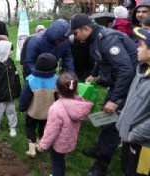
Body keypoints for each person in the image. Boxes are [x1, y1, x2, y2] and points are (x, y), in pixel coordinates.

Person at [65, 13, 138, 176]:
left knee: (113, 125)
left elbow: (127, 71)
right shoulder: (95, 39)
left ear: (86, 28)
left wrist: (115, 100)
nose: (75, 38)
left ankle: (100, 167)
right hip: (116, 84)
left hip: (129, 86)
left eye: (75, 33)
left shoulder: (109, 40)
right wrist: (94, 74)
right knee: (107, 118)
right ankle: (100, 149)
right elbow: (100, 59)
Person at [37, 72, 93, 176]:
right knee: (60, 160)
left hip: (58, 143)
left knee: (56, 163)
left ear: (57, 88)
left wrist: (43, 145)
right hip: (70, 139)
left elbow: (51, 130)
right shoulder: (79, 104)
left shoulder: (56, 108)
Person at [116, 27, 150, 176]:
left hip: (143, 145)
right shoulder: (142, 71)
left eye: (141, 45)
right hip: (129, 138)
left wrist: (134, 135)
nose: (137, 48)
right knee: (126, 168)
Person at [19, 53, 58, 158]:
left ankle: (32, 150)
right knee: (43, 128)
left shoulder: (31, 80)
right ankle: (41, 146)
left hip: (33, 112)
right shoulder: (57, 80)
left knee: (30, 127)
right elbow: (59, 97)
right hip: (48, 113)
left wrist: (22, 107)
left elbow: (25, 97)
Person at [0, 40, 21, 137]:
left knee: (11, 110)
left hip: (11, 94)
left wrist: (18, 90)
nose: (11, 52)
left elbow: (16, 76)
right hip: (0, 95)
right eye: (10, 50)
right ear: (2, 51)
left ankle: (13, 127)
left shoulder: (10, 62)